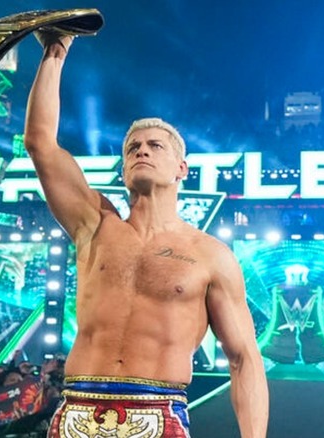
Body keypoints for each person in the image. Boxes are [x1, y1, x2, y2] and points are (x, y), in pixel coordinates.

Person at [23, 31, 269, 437]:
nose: (142, 150)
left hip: (157, 412)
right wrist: (55, 52)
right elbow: (40, 144)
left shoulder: (211, 255)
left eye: (156, 146)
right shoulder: (95, 224)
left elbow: (244, 359)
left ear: (181, 169)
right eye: (133, 148)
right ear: (123, 171)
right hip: (78, 409)